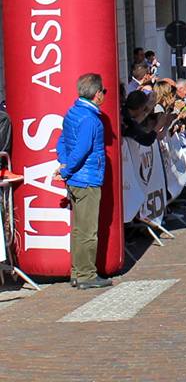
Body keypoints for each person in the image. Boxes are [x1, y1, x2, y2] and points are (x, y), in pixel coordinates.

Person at [54, 73, 111, 289]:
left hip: (76, 179)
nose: (104, 94)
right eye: (103, 91)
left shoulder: (73, 112)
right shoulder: (91, 119)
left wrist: (64, 164)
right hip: (87, 179)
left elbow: (62, 141)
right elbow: (82, 150)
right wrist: (67, 169)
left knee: (79, 229)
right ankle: (87, 275)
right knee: (88, 231)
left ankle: (77, 272)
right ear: (97, 94)